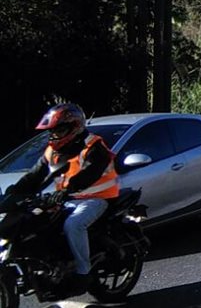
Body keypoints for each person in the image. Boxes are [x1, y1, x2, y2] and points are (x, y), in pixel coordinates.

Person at [9, 103, 119, 296]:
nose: (54, 135)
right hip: (68, 199)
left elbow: (91, 172)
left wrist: (70, 187)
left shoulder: (93, 145)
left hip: (96, 198)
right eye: (52, 131)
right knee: (39, 222)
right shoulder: (52, 150)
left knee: (73, 224)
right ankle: (51, 265)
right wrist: (13, 194)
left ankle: (83, 273)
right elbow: (34, 175)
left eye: (60, 130)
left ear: (75, 127)